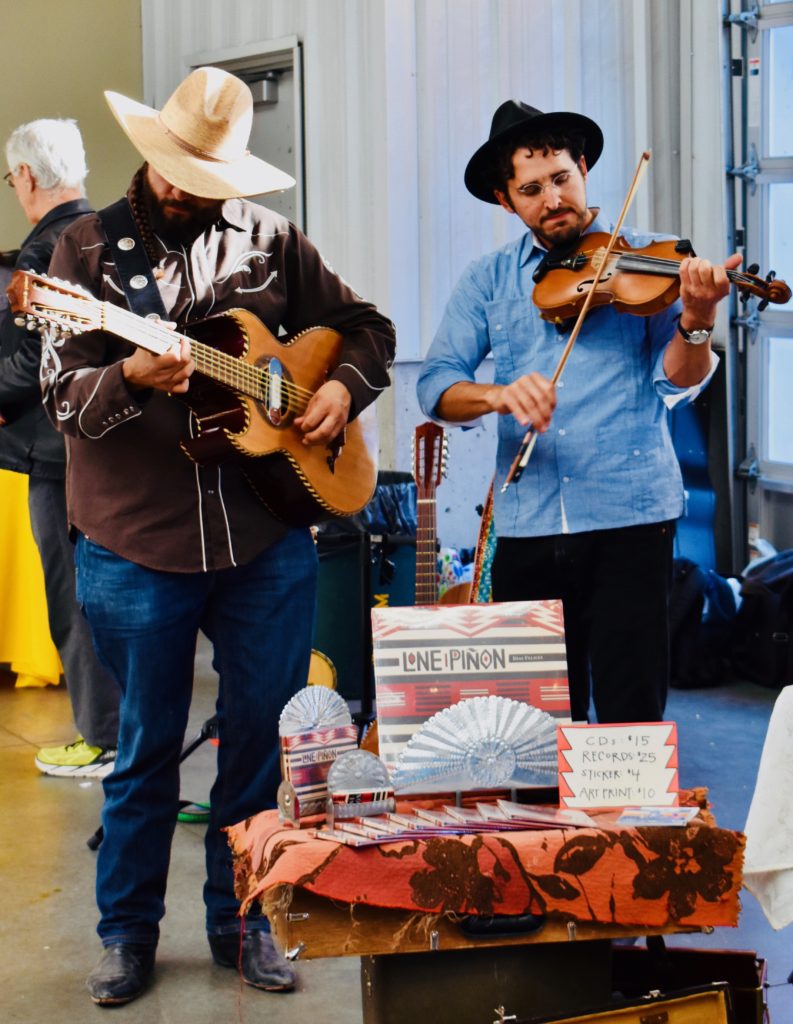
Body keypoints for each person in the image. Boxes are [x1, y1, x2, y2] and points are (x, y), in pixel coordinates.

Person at [42, 67, 395, 1006]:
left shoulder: (274, 241)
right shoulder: (83, 257)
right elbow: (61, 400)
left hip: (266, 538)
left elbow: (366, 329)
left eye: (210, 175)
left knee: (258, 749)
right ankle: (126, 936)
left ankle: (246, 926)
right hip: (133, 542)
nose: (188, 188)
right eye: (178, 169)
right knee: (146, 749)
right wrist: (131, 382)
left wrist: (334, 389)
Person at [417, 100, 739, 726]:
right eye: (531, 189)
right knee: (532, 731)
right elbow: (435, 385)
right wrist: (498, 395)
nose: (553, 199)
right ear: (507, 201)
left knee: (629, 723)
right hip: (529, 523)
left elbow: (679, 384)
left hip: (630, 517)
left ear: (584, 168)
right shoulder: (487, 281)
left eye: (562, 178)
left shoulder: (649, 259)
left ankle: (624, 828)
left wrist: (697, 321)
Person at [0, 118, 120, 776]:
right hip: (110, 447)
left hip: (54, 455)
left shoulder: (42, 249)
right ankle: (124, 730)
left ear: (26, 177)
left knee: (70, 595)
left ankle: (101, 739)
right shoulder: (110, 235)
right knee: (115, 591)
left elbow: (31, 361)